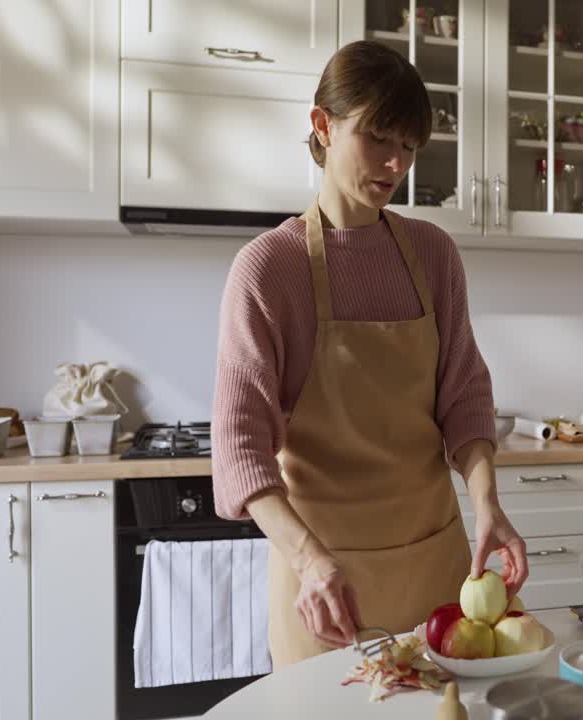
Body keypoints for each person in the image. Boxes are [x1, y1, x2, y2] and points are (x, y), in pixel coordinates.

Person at [211, 41, 528, 666]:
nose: (393, 164)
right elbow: (240, 449)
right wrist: (308, 559)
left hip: (435, 569)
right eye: (377, 138)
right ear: (323, 126)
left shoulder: (434, 255)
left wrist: (487, 502)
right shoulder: (268, 269)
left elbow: (464, 396)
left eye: (408, 147)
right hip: (325, 585)